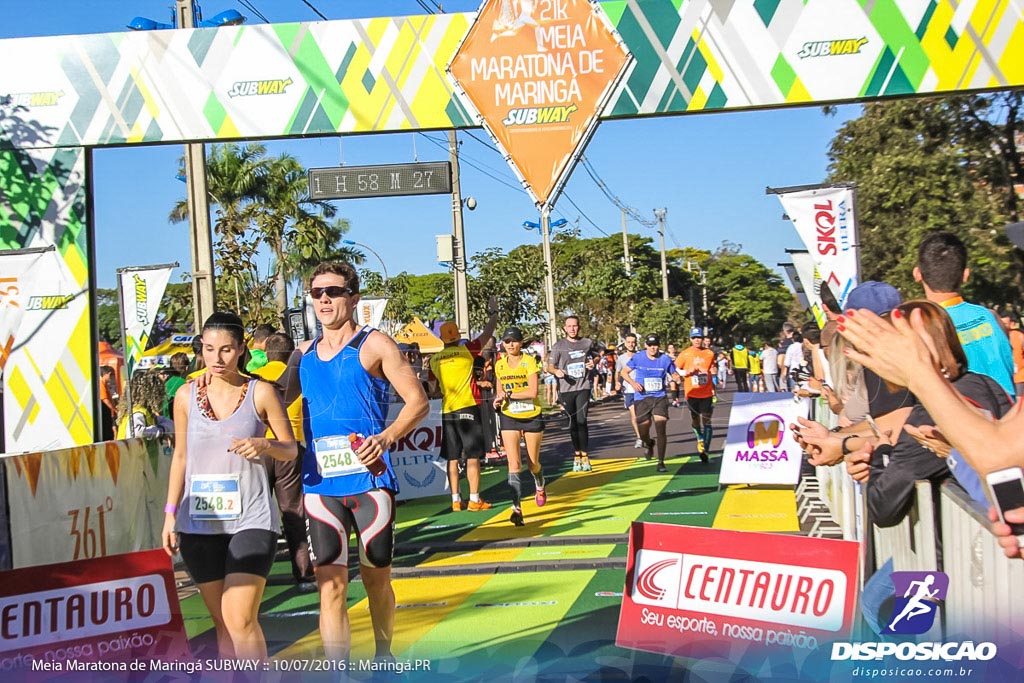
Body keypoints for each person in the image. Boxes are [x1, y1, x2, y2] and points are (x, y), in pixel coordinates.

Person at [287, 262, 429, 660]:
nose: (325, 299)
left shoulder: (375, 344)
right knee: (329, 587)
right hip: (321, 486)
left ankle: (384, 655)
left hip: (369, 483)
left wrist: (385, 439)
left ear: (353, 298)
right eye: (317, 293)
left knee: (376, 580)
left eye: (333, 291)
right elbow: (270, 407)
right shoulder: (302, 356)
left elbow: (417, 403)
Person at [836, 303, 1024, 560]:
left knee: (871, 602)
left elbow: (883, 506)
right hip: (973, 557)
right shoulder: (983, 382)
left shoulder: (930, 414)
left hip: (949, 566)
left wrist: (881, 455)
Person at [162, 311, 298, 660]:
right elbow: (180, 457)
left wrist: (265, 444)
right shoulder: (185, 397)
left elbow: (290, 448)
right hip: (198, 523)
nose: (216, 358)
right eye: (208, 349)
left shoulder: (261, 392)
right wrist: (169, 514)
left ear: (241, 350)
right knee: (222, 623)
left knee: (240, 618)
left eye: (225, 350)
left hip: (251, 519)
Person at [915, 232, 1015, 398]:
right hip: (1009, 415)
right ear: (966, 275)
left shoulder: (924, 329)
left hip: (966, 419)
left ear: (917, 274)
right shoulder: (991, 317)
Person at [250, 332, 315, 589]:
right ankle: (303, 574)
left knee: (256, 512)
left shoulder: (254, 378)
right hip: (290, 449)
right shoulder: (302, 376)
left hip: (259, 448)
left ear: (265, 353)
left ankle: (253, 575)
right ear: (291, 356)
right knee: (293, 512)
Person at [429, 300, 500, 513]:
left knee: (452, 457)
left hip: (448, 410)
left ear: (441, 339)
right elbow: (487, 335)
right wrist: (494, 314)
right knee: (472, 456)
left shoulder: (434, 360)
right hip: (469, 408)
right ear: (457, 337)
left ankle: (455, 500)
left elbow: (433, 390)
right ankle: (474, 499)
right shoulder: (467, 351)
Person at [493, 327, 548, 526]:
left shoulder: (529, 362)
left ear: (520, 342)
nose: (510, 345)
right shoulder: (500, 365)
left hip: (531, 415)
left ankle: (540, 482)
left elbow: (533, 392)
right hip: (510, 416)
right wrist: (498, 400)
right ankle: (516, 508)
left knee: (533, 464)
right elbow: (500, 391)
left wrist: (510, 395)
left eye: (514, 341)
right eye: (507, 341)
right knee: (514, 464)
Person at [622, 333, 683, 472]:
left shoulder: (665, 359)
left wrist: (677, 378)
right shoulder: (638, 357)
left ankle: (661, 462)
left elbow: (674, 374)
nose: (652, 348)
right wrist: (633, 383)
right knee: (644, 429)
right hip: (642, 398)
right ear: (645, 346)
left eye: (655, 345)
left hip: (659, 397)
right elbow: (624, 372)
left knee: (661, 426)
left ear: (658, 345)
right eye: (650, 345)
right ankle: (649, 443)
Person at [546, 315, 596, 472]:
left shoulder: (586, 343)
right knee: (572, 423)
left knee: (582, 420)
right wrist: (556, 371)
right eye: (569, 326)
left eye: (575, 326)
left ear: (579, 327)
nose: (572, 329)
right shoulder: (559, 346)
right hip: (566, 388)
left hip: (583, 386)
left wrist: (593, 361)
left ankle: (586, 456)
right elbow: (549, 366)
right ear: (564, 328)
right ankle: (577, 455)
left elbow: (597, 352)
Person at [674, 328, 715, 462]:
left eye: (699, 337)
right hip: (692, 393)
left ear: (702, 339)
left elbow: (712, 368)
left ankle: (706, 450)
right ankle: (699, 438)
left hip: (706, 392)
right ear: (691, 339)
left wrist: (712, 372)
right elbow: (675, 370)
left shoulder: (709, 353)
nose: (697, 340)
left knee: (707, 420)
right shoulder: (685, 354)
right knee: (695, 419)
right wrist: (687, 372)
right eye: (694, 338)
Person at [116, 370, 173, 439]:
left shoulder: (143, 412)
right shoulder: (138, 413)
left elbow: (170, 423)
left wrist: (164, 429)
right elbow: (136, 433)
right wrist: (160, 431)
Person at [614, 333, 643, 449]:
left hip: (642, 389)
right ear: (625, 344)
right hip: (629, 389)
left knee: (643, 415)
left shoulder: (641, 356)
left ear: (636, 343)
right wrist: (617, 382)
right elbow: (617, 372)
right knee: (634, 414)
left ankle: (644, 434)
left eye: (633, 342)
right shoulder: (621, 359)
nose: (631, 344)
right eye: (629, 342)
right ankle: (639, 437)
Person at [99, 365, 117, 441]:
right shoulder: (101, 384)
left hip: (110, 413)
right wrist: (114, 409)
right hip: (108, 415)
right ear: (107, 374)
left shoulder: (105, 385)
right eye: (112, 375)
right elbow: (105, 399)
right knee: (113, 432)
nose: (112, 378)